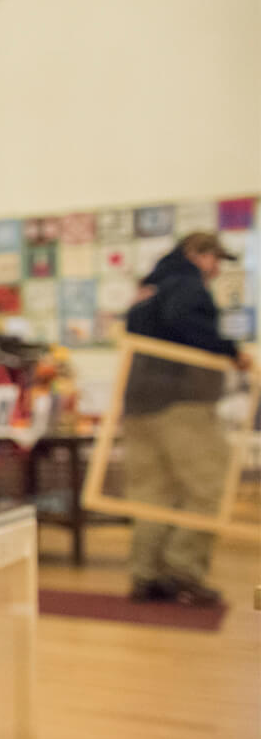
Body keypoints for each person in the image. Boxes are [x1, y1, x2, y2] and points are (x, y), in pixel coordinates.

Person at [122, 231, 251, 606]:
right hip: (182, 401)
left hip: (139, 404)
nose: (214, 271)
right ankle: (184, 573)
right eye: (214, 260)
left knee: (151, 493)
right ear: (196, 254)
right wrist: (229, 350)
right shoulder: (186, 283)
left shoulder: (149, 289)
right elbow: (184, 321)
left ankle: (146, 575)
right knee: (210, 486)